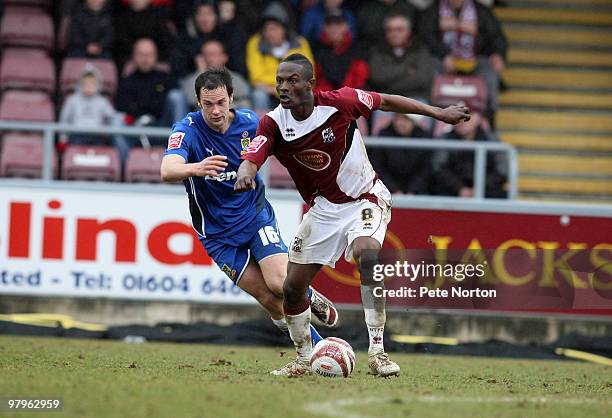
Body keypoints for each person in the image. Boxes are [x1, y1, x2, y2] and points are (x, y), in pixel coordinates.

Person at [234, 54, 469, 377]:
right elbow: (254, 154)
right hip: (324, 210)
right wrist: (245, 171)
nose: (283, 87)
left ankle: (377, 352)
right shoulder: (273, 122)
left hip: (365, 197)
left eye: (292, 80)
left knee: (366, 254)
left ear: (310, 84)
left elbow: (386, 101)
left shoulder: (340, 102)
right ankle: (303, 358)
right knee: (292, 288)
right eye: (279, 81)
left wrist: (438, 113)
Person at [160, 68, 339, 352]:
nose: (215, 110)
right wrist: (196, 168)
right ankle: (316, 351)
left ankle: (307, 295)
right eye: (208, 104)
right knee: (269, 299)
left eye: (220, 102)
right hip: (217, 235)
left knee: (280, 283)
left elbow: (283, 146)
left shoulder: (249, 123)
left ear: (231, 98)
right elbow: (167, 170)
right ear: (198, 102)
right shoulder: (188, 129)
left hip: (255, 216)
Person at [419, 0, 507, 124]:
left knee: (489, 72)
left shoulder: (481, 11)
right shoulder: (434, 10)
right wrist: (444, 55)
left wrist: (498, 54)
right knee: (429, 70)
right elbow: (425, 36)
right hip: (442, 61)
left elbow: (497, 36)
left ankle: (488, 120)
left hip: (475, 59)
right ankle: (433, 119)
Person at [246, 3, 314, 113]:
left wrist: (283, 86)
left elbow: (308, 73)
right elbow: (256, 77)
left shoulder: (300, 44)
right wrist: (281, 87)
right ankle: (263, 127)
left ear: (284, 29)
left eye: (274, 28)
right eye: (266, 29)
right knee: (258, 94)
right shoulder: (255, 43)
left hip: (293, 89)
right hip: (267, 91)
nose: (269, 33)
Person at [115, 38, 188, 132]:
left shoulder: (166, 78)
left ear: (156, 56)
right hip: (136, 129)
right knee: (117, 120)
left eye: (150, 55)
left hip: (164, 127)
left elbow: (172, 106)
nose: (145, 59)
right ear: (133, 56)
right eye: (141, 54)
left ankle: (181, 142)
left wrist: (147, 107)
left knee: (177, 96)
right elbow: (122, 107)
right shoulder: (127, 81)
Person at [431, 111, 506, 198]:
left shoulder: (492, 141)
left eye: (468, 115)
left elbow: (502, 172)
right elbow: (438, 168)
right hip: (450, 192)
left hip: (487, 193)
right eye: (458, 115)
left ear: (479, 118)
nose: (462, 121)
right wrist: (459, 188)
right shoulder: (443, 140)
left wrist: (478, 189)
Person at [368, 13, 433, 100]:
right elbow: (377, 77)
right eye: (390, 30)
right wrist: (407, 69)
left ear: (409, 31)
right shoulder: (378, 50)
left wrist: (389, 87)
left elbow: (422, 80)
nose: (394, 34)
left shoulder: (420, 49)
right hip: (386, 100)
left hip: (415, 98)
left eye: (399, 29)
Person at [369, 113, 433, 195]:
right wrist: (394, 189)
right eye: (398, 119)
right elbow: (378, 166)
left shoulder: (425, 138)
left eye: (406, 119)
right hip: (386, 188)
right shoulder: (383, 135)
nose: (400, 123)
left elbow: (426, 169)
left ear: (414, 122)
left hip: (418, 190)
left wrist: (412, 190)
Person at [180, 40, 252, 110]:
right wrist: (201, 71)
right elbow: (190, 98)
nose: (210, 58)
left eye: (214, 54)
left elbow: (244, 92)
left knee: (245, 105)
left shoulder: (234, 76)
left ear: (224, 57)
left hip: (232, 112)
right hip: (205, 114)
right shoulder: (195, 77)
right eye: (207, 54)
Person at [312, 10, 368, 93]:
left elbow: (359, 80)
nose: (333, 28)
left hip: (350, 98)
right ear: (324, 27)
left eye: (338, 24)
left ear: (346, 26)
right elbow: (316, 80)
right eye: (329, 24)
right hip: (325, 99)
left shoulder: (357, 50)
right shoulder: (316, 50)